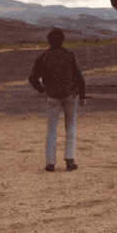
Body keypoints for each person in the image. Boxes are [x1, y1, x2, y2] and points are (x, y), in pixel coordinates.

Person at [29, 28, 85, 172]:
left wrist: (42, 90)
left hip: (52, 96)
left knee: (52, 129)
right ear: (62, 40)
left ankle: (50, 162)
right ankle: (69, 160)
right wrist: (83, 94)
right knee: (70, 127)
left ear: (49, 41)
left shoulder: (43, 57)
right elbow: (79, 77)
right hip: (70, 94)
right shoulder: (70, 55)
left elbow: (33, 78)